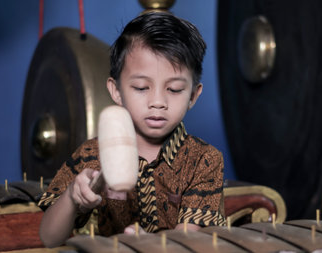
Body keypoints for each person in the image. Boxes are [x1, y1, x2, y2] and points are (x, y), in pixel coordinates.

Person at [37, 11, 225, 247]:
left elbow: (188, 242)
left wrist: (148, 245)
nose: (158, 101)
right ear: (116, 90)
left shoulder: (204, 160)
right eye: (141, 87)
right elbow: (49, 238)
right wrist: (73, 196)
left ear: (193, 96)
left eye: (175, 89)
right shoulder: (91, 154)